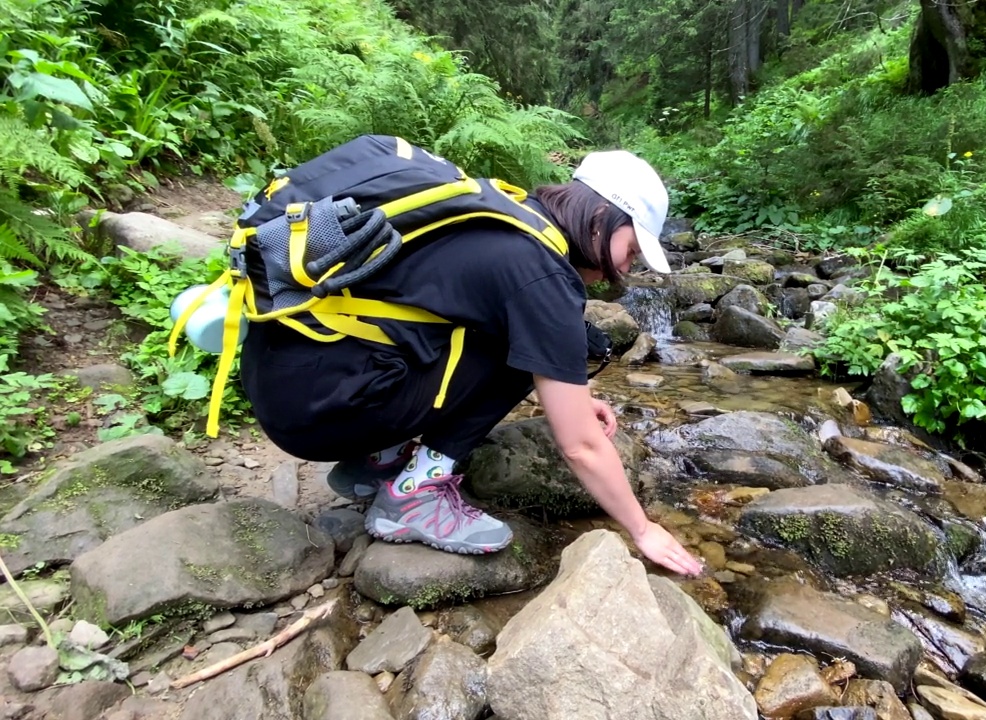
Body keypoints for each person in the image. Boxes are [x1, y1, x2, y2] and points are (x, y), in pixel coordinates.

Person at [238, 149, 704, 577]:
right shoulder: (538, 270)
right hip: (315, 413)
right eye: (632, 251)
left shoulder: (503, 212)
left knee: (531, 338)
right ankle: (412, 497)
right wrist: (643, 530)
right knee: (524, 351)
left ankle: (376, 461)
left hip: (285, 376)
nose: (623, 271)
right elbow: (580, 446)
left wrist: (577, 396)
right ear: (601, 216)